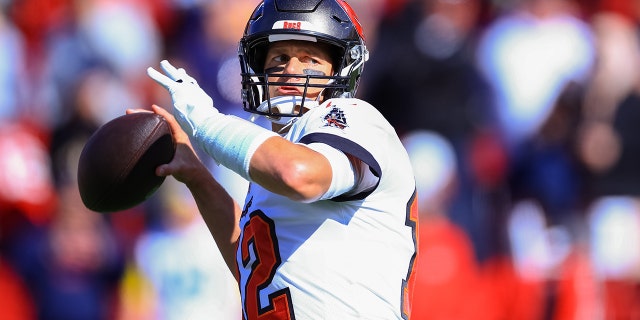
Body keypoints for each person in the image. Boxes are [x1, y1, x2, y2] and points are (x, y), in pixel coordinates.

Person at [135, 0, 419, 319]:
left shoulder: (357, 120)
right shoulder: (275, 149)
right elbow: (256, 270)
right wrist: (197, 177)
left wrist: (205, 123)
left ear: (341, 68)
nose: (291, 71)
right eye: (280, 58)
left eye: (310, 59)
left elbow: (298, 175)